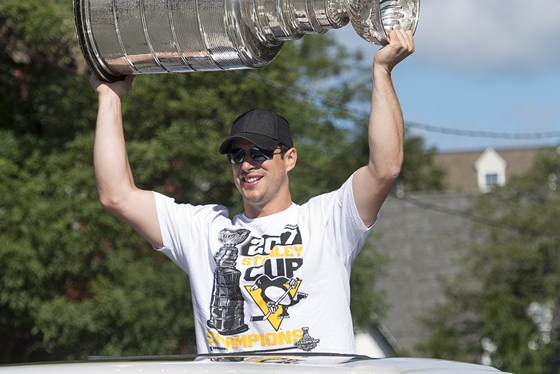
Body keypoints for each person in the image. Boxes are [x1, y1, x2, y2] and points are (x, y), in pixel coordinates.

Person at [91, 29, 415, 354]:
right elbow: (116, 195)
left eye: (259, 153)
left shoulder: (327, 220)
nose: (247, 164)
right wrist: (109, 97)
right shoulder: (206, 230)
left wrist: (381, 71)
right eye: (237, 155)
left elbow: (385, 167)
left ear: (289, 158)